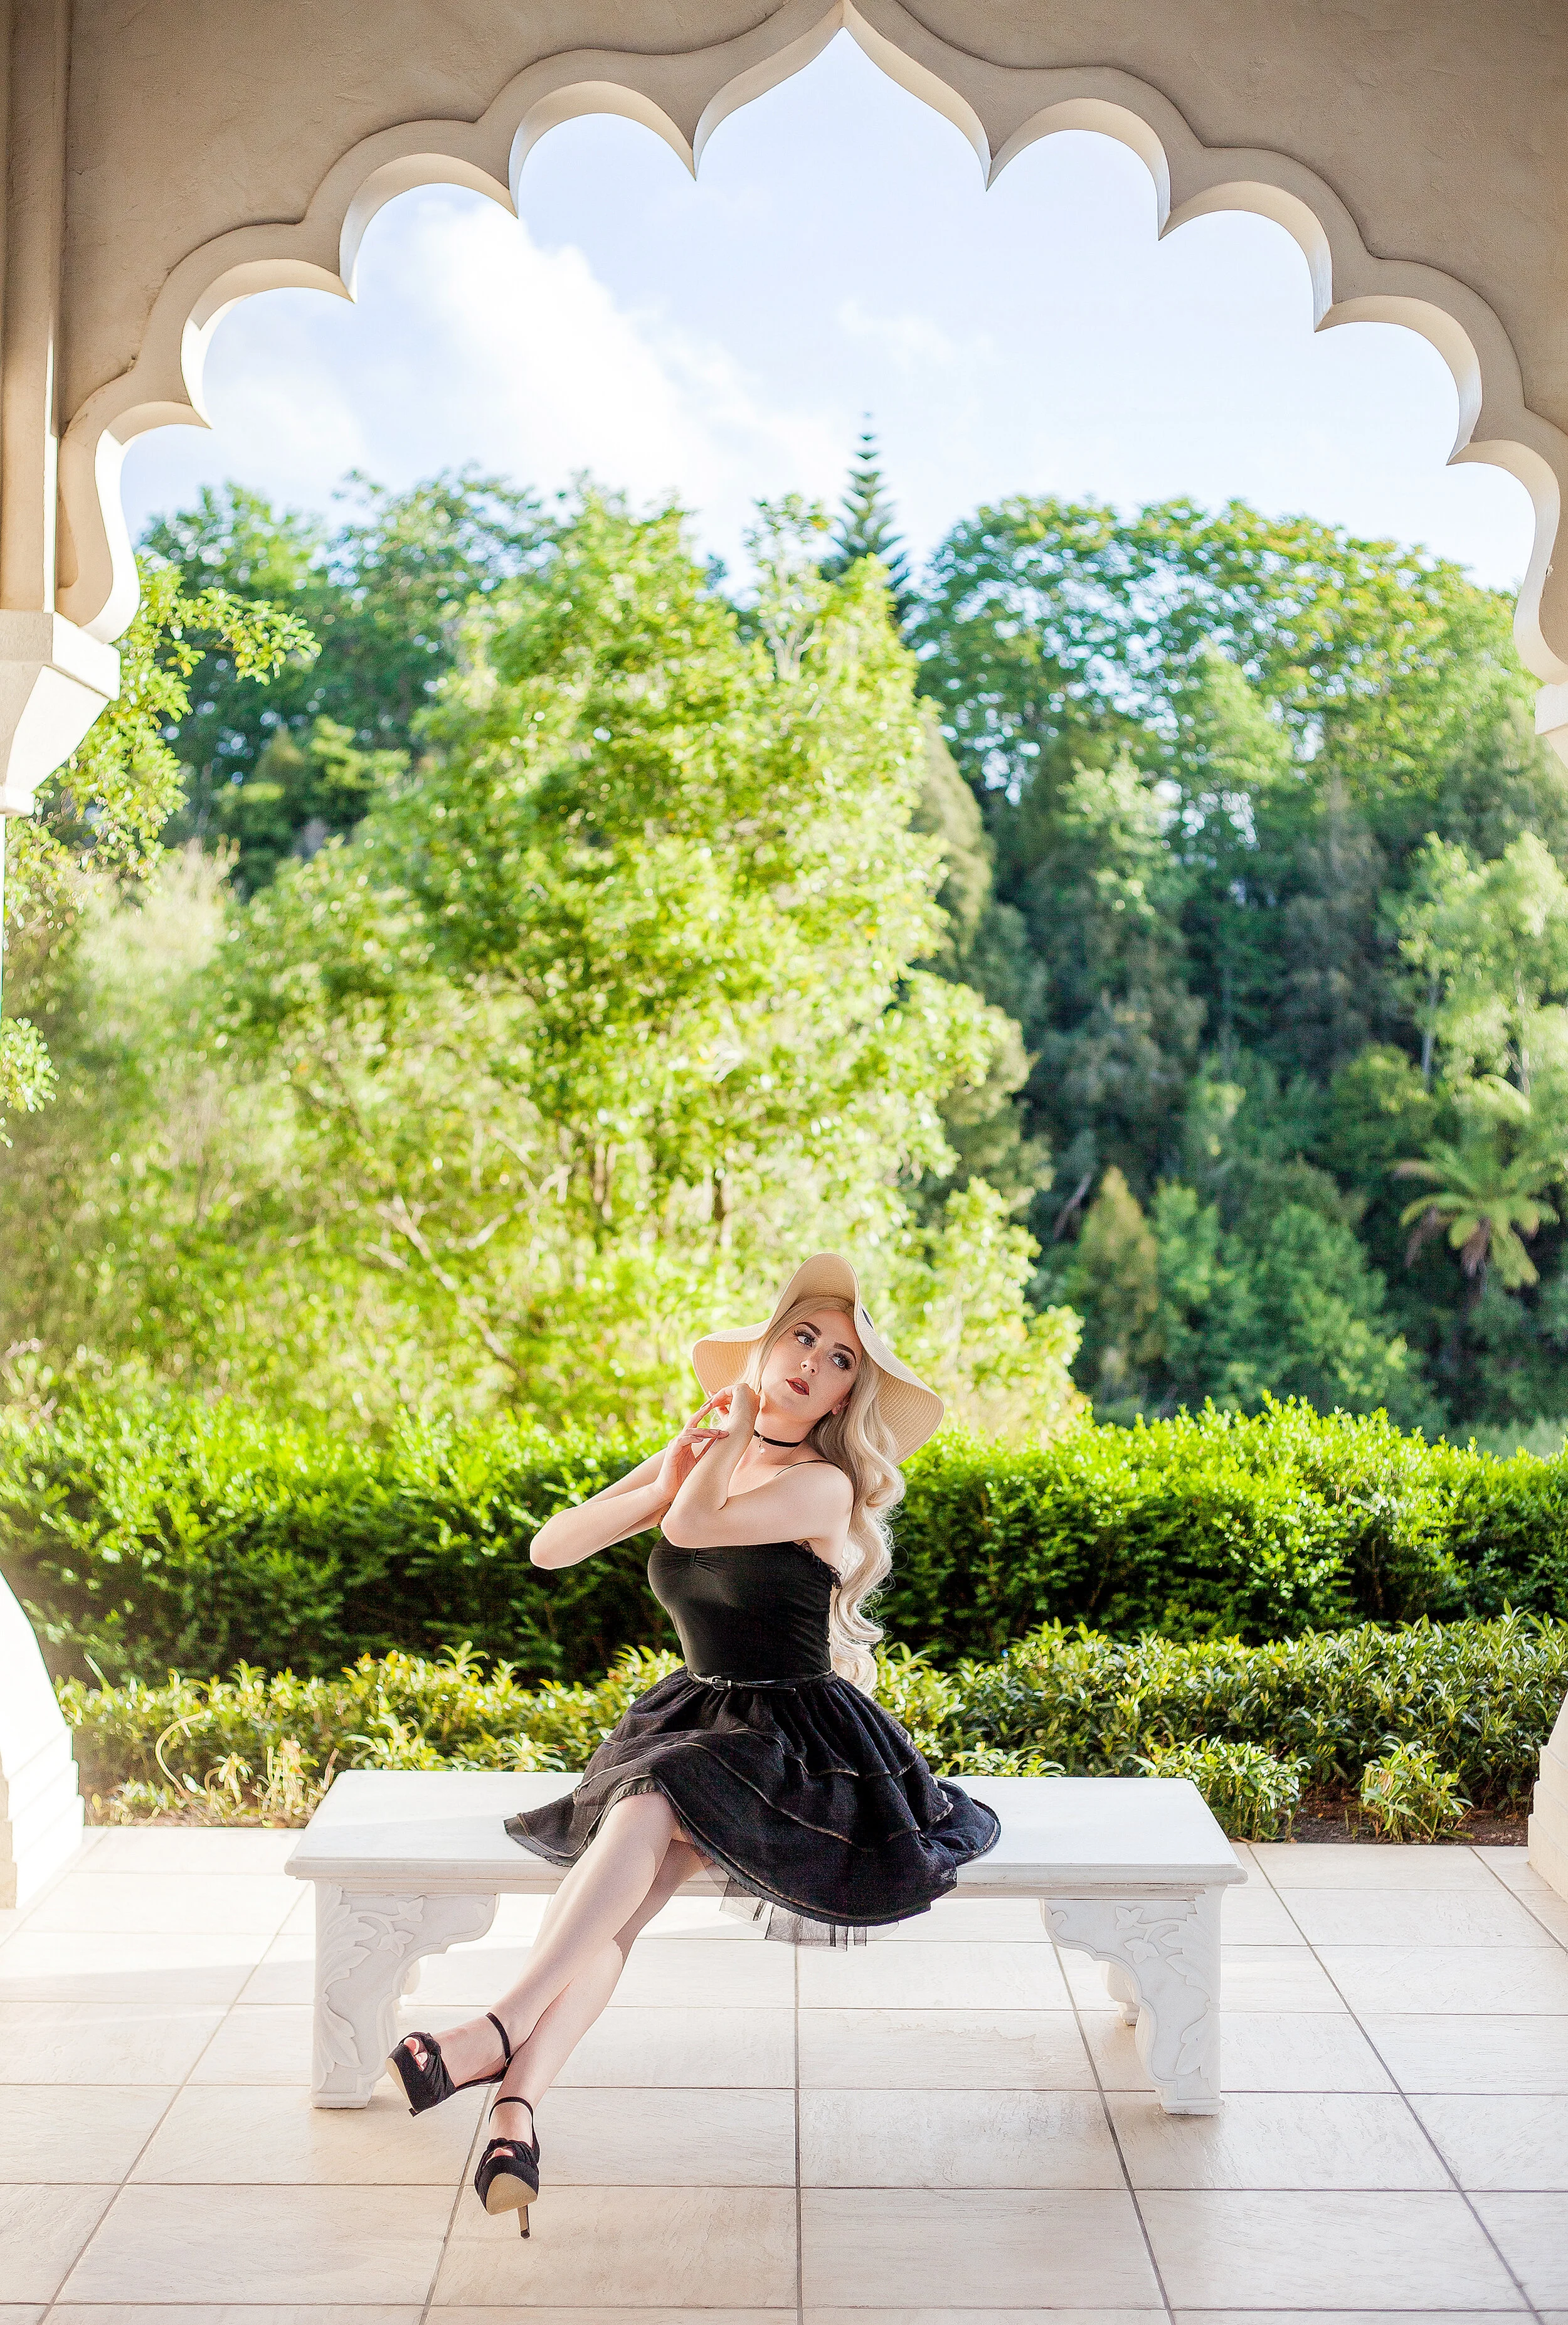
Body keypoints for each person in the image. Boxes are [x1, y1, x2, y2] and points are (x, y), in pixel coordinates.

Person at [388, 1253, 1000, 2232]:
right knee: (623, 1902)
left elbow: (699, 1519)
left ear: (848, 1391)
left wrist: (708, 1455)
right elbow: (554, 1544)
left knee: (653, 1798)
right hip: (698, 1716)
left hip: (797, 1738)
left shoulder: (825, 1487)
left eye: (839, 1357)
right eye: (801, 1335)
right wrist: (671, 1466)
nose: (811, 1362)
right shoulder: (703, 1455)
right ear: (767, 1342)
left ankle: (492, 2029)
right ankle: (516, 2109)